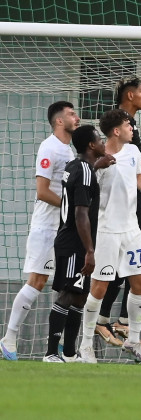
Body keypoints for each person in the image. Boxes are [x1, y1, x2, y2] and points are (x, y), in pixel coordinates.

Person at [0, 101, 79, 361]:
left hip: (64, 229)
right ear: (59, 121)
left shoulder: (68, 151)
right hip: (46, 228)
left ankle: (59, 345)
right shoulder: (49, 148)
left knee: (67, 286)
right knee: (37, 281)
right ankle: (9, 337)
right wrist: (72, 206)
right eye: (70, 114)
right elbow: (43, 191)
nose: (76, 117)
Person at [77, 109, 141, 364]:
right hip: (107, 231)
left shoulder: (134, 152)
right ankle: (85, 346)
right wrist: (97, 166)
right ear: (116, 130)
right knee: (99, 287)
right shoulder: (98, 158)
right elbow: (85, 189)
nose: (133, 128)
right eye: (128, 124)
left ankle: (133, 341)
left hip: (131, 230)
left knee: (140, 283)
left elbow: (140, 181)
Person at [43, 125, 114, 362]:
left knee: (80, 297)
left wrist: (97, 166)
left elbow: (82, 182)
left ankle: (71, 354)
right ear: (92, 145)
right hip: (74, 242)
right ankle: (51, 352)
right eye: (99, 139)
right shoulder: (84, 170)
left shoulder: (78, 166)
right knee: (67, 294)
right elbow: (80, 213)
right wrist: (90, 251)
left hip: (77, 242)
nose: (103, 142)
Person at [94, 76, 141, 347]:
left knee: (134, 265)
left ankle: (115, 320)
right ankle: (105, 321)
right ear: (130, 96)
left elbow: (135, 168)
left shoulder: (131, 132)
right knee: (121, 267)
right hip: (115, 217)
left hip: (131, 208)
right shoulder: (117, 129)